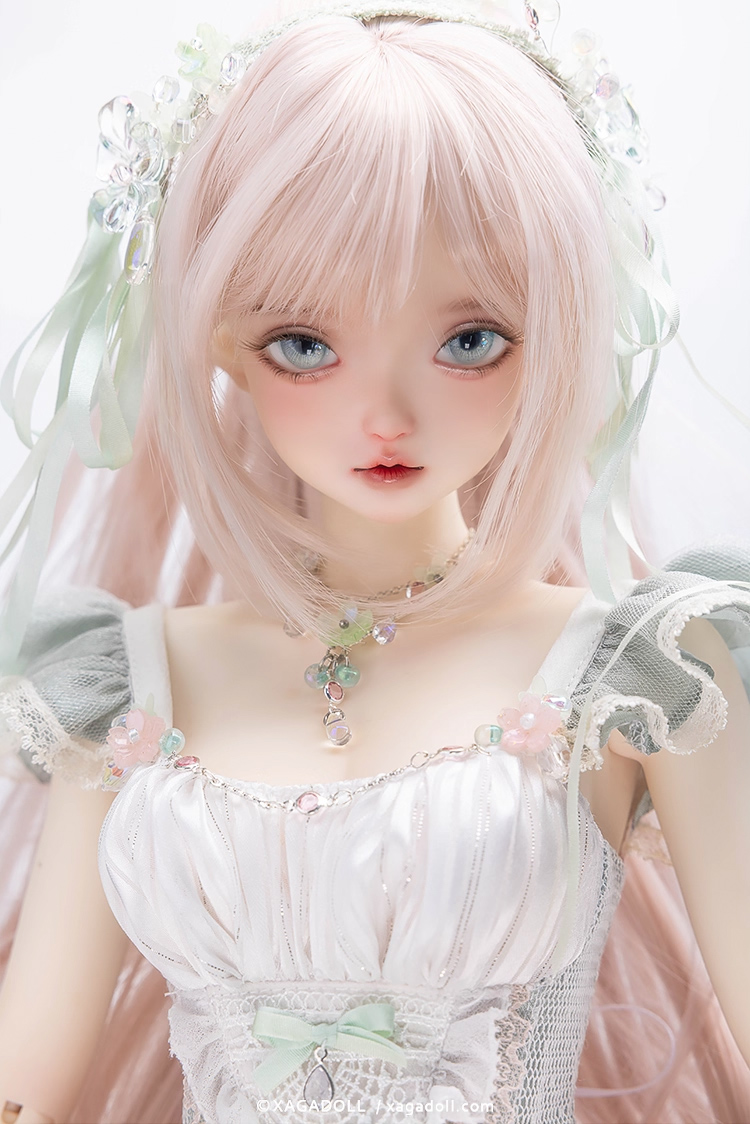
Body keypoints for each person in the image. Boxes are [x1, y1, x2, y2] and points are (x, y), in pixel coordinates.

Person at [0, 3, 748, 1123]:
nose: (387, 413)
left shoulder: (637, 671)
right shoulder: (126, 683)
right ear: (219, 340)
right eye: (304, 345)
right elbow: (24, 1087)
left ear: (560, 329)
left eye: (469, 341)